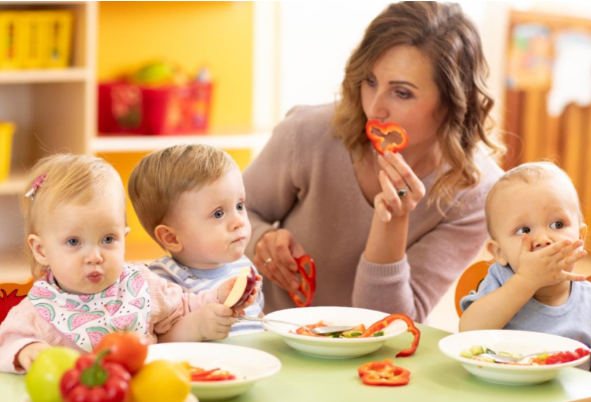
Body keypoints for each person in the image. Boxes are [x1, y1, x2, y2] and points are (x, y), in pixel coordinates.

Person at [243, 1, 504, 320]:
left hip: (373, 349)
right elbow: (232, 211)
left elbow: (392, 323)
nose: (375, 109)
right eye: (370, 81)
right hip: (269, 332)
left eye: (402, 93)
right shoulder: (307, 133)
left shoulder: (475, 194)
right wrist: (260, 239)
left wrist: (392, 222)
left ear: (452, 102)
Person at [0, 154, 258, 373]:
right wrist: (26, 350)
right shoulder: (37, 311)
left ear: (124, 237)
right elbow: (6, 343)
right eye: (74, 242)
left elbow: (185, 306)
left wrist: (218, 296)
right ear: (41, 250)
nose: (95, 256)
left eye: (108, 239)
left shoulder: (142, 284)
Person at [459, 162, 591, 378]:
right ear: (499, 252)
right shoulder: (499, 282)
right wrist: (525, 281)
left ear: (580, 238)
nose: (543, 239)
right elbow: (468, 333)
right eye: (523, 230)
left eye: (557, 225)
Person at [128, 144, 264, 335]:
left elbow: (258, 317)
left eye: (240, 206)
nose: (238, 221)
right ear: (171, 238)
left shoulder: (243, 266)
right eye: (218, 214)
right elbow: (157, 340)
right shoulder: (162, 280)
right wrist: (197, 327)